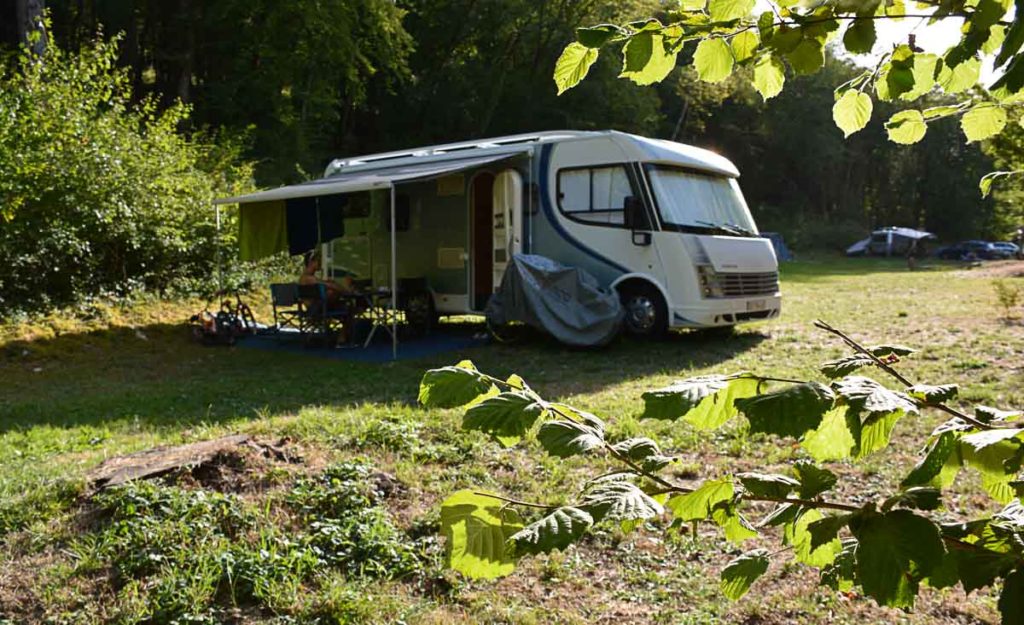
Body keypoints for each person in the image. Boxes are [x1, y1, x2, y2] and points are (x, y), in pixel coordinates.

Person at [299, 250, 355, 344]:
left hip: (321, 306)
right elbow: (329, 286)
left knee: (348, 307)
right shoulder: (307, 279)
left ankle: (342, 335)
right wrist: (340, 288)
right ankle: (348, 292)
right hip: (315, 309)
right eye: (318, 260)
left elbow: (326, 286)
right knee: (332, 291)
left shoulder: (309, 278)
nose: (321, 263)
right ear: (311, 262)